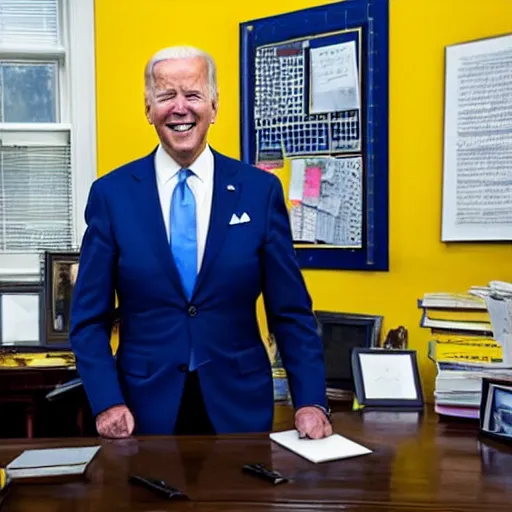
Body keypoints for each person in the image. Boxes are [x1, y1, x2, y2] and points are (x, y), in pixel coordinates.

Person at [69, 45, 332, 440]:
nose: (180, 108)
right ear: (148, 108)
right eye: (166, 96)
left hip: (239, 410)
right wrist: (107, 401)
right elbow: (89, 319)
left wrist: (311, 400)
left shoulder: (258, 192)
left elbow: (291, 312)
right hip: (141, 412)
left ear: (213, 105)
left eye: (192, 95)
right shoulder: (111, 195)